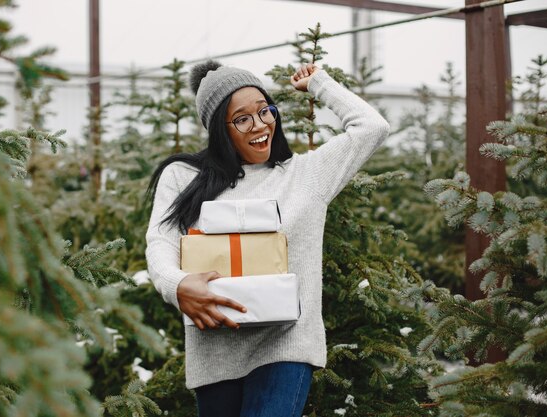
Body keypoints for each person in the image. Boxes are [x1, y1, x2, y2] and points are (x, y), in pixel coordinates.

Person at [145, 60, 389, 417]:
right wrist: (178, 285)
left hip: (285, 345)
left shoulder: (307, 175)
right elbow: (161, 242)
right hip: (215, 350)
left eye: (265, 111)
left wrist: (319, 84)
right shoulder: (184, 177)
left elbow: (373, 127)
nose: (260, 125)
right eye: (242, 118)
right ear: (218, 129)